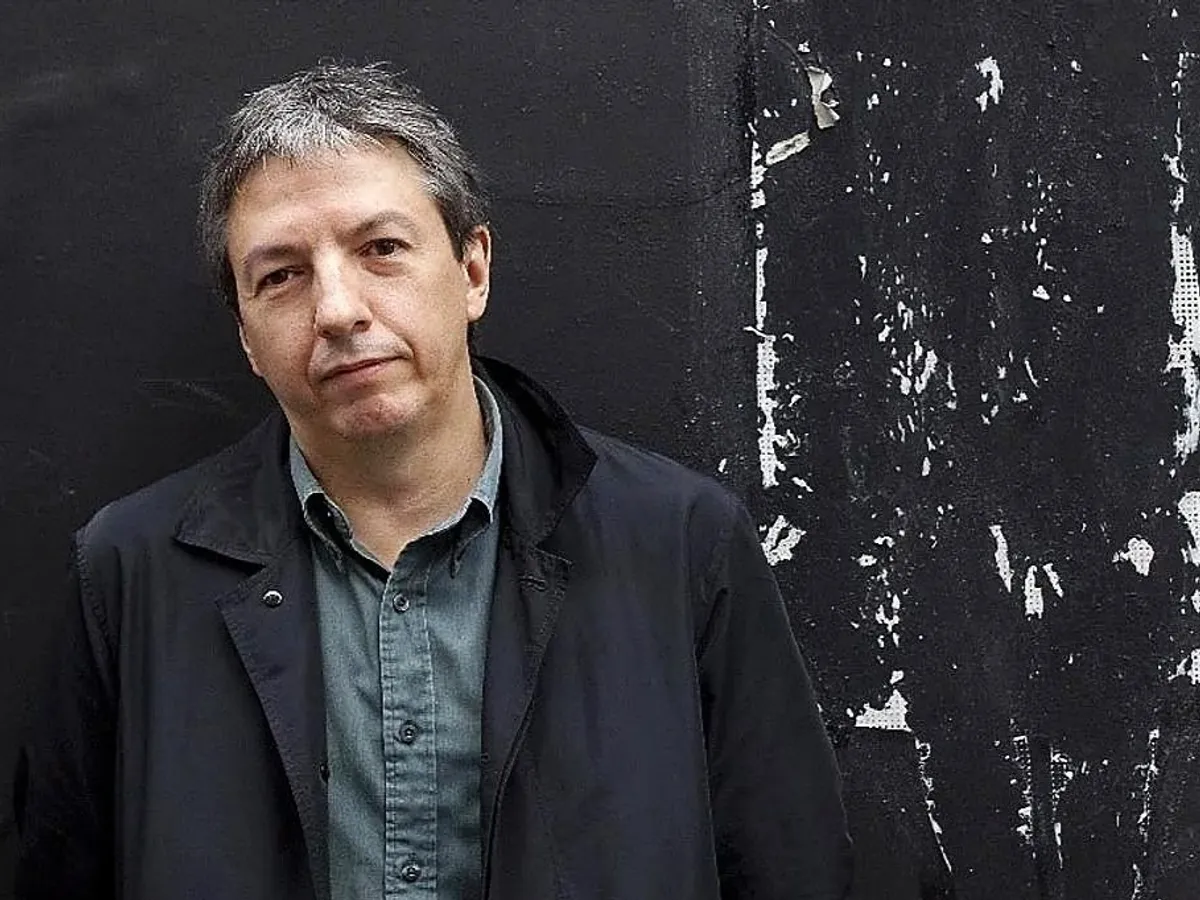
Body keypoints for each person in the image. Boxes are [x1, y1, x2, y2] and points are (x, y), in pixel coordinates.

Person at [14, 62, 852, 899]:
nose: (337, 310)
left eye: (381, 249)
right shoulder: (129, 574)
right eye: (281, 276)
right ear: (246, 337)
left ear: (472, 270)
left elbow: (792, 871)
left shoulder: (680, 543)